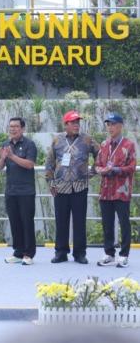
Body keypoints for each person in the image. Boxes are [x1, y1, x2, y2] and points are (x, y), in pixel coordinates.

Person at [45, 110, 99, 264]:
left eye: (78, 122)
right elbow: (49, 162)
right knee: (61, 221)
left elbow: (100, 155)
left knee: (80, 221)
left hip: (80, 187)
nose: (76, 125)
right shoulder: (57, 140)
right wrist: (50, 182)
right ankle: (61, 252)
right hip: (60, 187)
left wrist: (93, 171)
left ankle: (79, 253)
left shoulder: (87, 140)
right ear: (66, 124)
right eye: (73, 122)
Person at [95, 113, 136, 268]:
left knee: (124, 223)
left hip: (121, 191)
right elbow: (97, 164)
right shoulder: (104, 144)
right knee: (107, 223)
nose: (110, 127)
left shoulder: (129, 145)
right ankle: (109, 254)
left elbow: (132, 167)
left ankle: (124, 255)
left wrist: (116, 169)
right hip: (105, 191)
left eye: (113, 124)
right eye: (108, 124)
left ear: (120, 126)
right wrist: (102, 170)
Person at [0, 117, 37, 266]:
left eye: (16, 126)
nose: (13, 129)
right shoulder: (5, 145)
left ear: (23, 129)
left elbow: (29, 164)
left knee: (27, 222)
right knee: (15, 222)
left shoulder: (29, 144)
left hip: (26, 191)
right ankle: (18, 252)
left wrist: (12, 156)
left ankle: (28, 254)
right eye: (11, 126)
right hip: (11, 191)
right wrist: (3, 158)